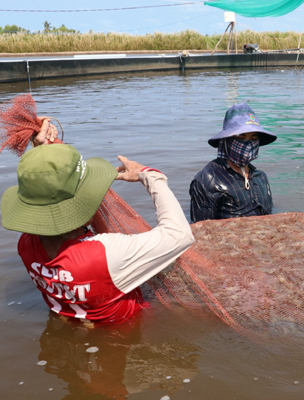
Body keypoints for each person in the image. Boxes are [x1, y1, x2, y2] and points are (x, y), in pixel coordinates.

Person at [1, 121, 194, 324]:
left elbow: (46, 197)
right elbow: (180, 235)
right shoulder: (107, 252)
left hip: (72, 321)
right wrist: (150, 176)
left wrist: (42, 151)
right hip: (123, 331)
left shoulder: (26, 244)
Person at [189, 103, 277, 222]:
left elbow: (270, 217)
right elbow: (202, 230)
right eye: (241, 138)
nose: (247, 144)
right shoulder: (208, 180)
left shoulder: (260, 178)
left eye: (254, 139)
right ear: (226, 140)